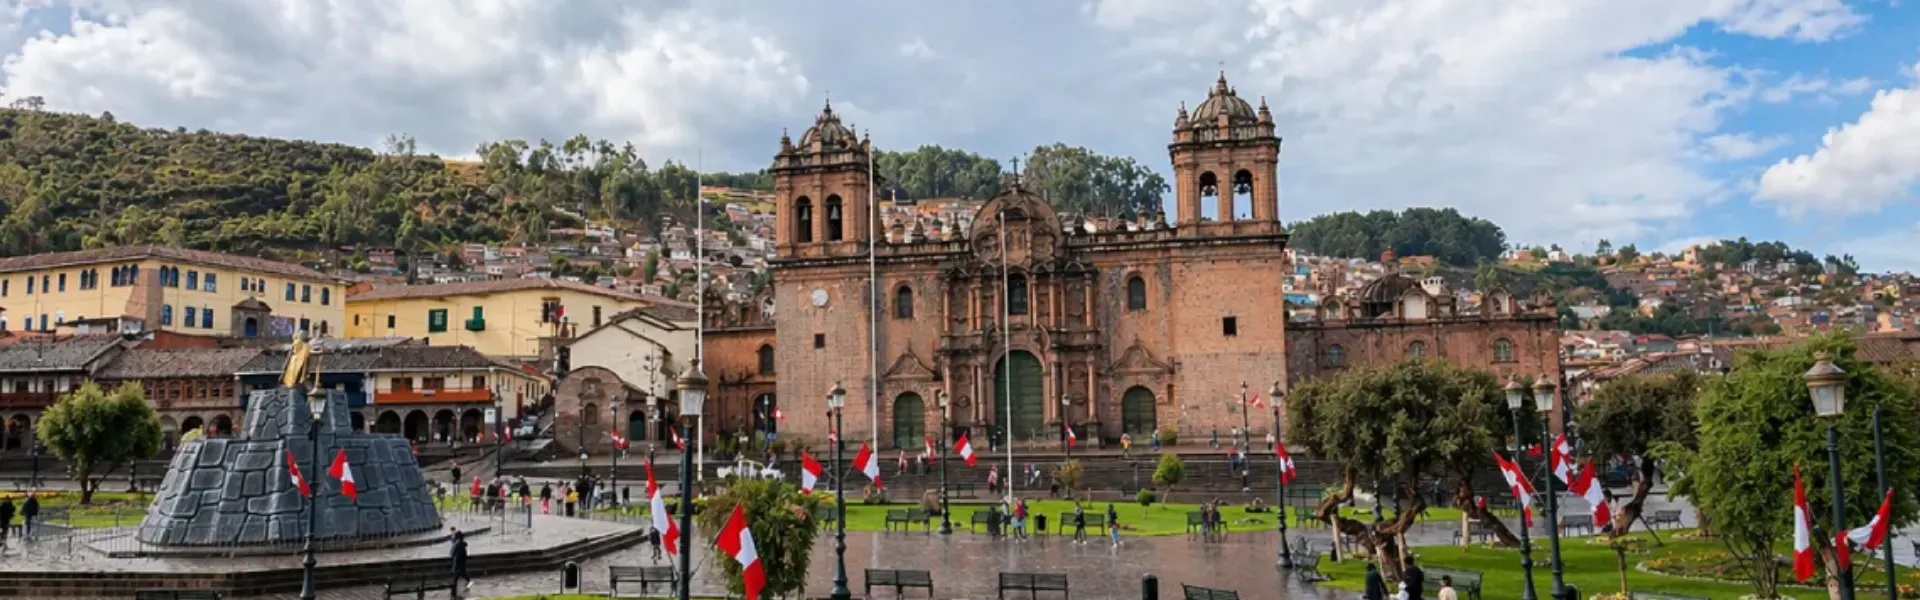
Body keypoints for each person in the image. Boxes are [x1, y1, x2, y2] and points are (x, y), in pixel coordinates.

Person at [449, 527, 472, 593]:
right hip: (461, 561)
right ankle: (455, 587)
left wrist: (453, 556)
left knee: (458, 574)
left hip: (458, 562)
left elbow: (453, 553)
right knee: (460, 574)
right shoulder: (461, 543)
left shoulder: (458, 544)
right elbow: (464, 554)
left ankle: (454, 589)